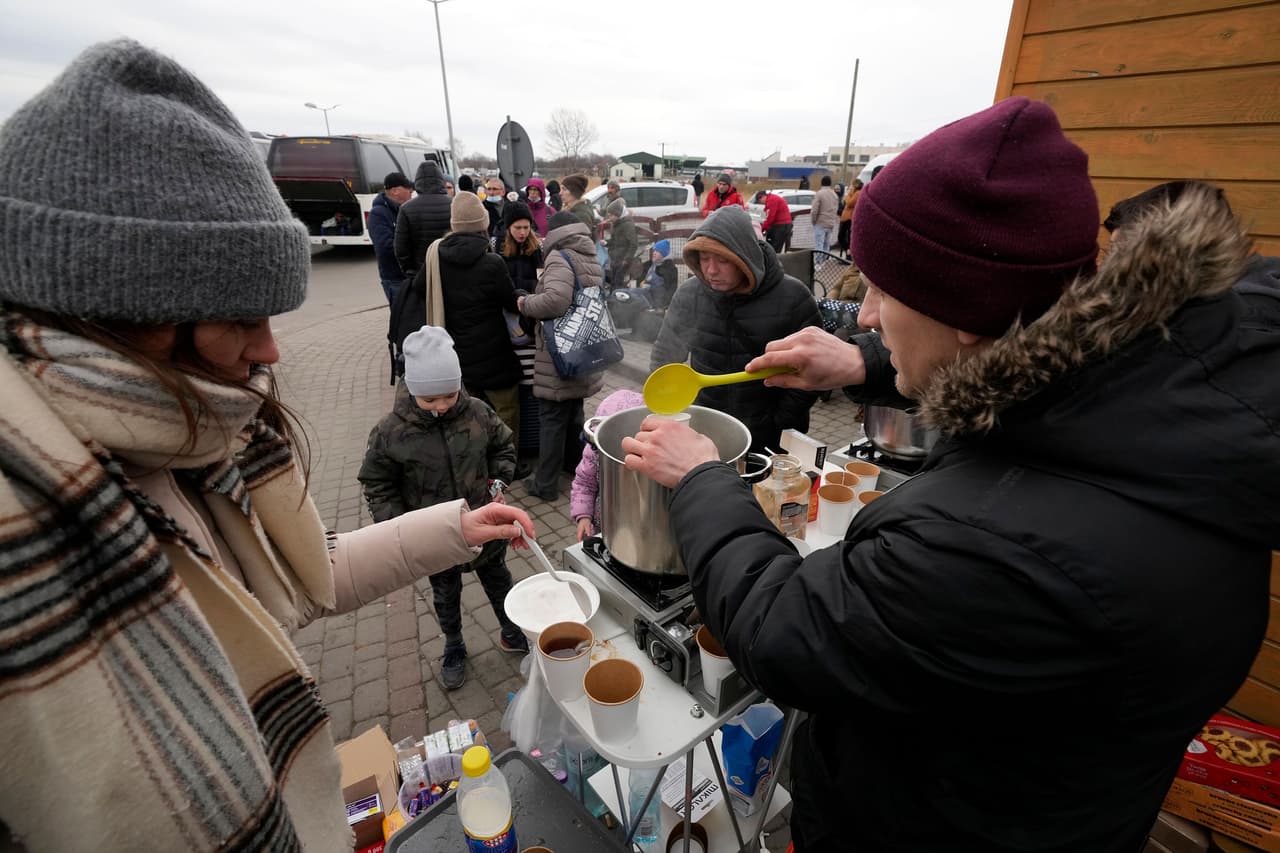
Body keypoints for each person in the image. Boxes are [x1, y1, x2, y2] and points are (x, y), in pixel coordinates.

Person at [621, 97, 1280, 852]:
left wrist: (705, 478)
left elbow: (783, 632)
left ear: (964, 309)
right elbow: (999, 371)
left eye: (879, 291)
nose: (865, 316)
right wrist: (860, 364)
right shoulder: (1153, 384)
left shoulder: (986, 547)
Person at [0, 38, 538, 853]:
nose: (272, 351)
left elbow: (296, 580)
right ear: (120, 312)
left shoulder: (179, 435)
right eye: (239, 318)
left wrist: (453, 529)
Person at [358, 326, 527, 690]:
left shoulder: (478, 412)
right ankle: (453, 644)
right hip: (434, 538)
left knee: (500, 581)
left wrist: (498, 482)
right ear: (413, 391)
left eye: (449, 394)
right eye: (430, 399)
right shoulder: (390, 433)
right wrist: (399, 527)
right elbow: (377, 482)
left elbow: (504, 447)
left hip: (485, 527)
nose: (442, 405)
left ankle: (511, 629)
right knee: (445, 593)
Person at [649, 205, 821, 452]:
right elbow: (665, 354)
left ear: (746, 258)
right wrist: (670, 409)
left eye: (722, 260)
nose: (711, 270)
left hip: (771, 435)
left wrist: (779, 420)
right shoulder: (690, 294)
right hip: (706, 428)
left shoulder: (794, 298)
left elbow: (812, 370)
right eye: (704, 259)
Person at [516, 210, 606, 500]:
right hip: (582, 350)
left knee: (552, 420)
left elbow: (555, 301)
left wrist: (525, 302)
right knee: (572, 415)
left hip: (559, 356)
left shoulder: (558, 257)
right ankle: (575, 466)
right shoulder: (587, 254)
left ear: (554, 233)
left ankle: (544, 485)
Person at [571, 388, 645, 541]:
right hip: (602, 526)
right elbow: (583, 484)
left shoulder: (649, 460)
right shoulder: (594, 453)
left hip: (640, 529)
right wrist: (583, 516)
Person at [395, 159, 452, 280]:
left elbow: (401, 247)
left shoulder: (406, 208)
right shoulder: (454, 204)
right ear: (441, 180)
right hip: (451, 269)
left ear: (417, 181)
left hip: (421, 272)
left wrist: (410, 272)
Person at [369, 170, 415, 304]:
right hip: (394, 278)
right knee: (401, 319)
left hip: (410, 276)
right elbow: (385, 247)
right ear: (395, 190)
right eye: (408, 189)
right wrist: (412, 245)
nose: (411, 191)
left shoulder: (405, 210)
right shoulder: (378, 214)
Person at [498, 200, 542, 295]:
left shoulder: (537, 248)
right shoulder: (497, 246)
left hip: (531, 302)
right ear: (509, 227)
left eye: (526, 227)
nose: (522, 232)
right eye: (517, 228)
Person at [631, 238, 678, 310]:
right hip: (645, 294)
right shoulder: (650, 264)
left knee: (629, 295)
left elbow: (671, 289)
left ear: (663, 254)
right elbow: (639, 276)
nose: (654, 253)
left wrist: (664, 306)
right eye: (654, 250)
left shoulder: (669, 269)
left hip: (655, 301)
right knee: (624, 294)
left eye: (657, 251)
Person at [604, 197, 637, 291]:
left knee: (619, 285)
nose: (609, 218)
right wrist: (607, 243)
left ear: (617, 214)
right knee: (614, 282)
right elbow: (615, 240)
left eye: (611, 215)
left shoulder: (627, 225)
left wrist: (626, 259)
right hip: (616, 259)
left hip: (622, 260)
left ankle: (618, 303)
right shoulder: (617, 224)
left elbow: (633, 243)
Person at [755, 189, 793, 254]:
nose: (760, 203)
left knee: (774, 248)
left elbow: (770, 217)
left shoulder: (771, 200)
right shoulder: (773, 198)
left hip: (781, 226)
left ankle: (774, 262)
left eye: (759, 201)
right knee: (778, 247)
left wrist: (761, 229)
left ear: (763, 197)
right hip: (785, 224)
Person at [809, 174, 839, 254]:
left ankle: (818, 264)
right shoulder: (835, 195)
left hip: (820, 223)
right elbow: (836, 210)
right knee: (826, 245)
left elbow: (814, 210)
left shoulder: (819, 194)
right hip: (830, 224)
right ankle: (824, 263)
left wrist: (813, 221)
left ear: (821, 183)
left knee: (819, 245)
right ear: (830, 184)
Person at [837, 178, 862, 258]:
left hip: (850, 218)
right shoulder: (853, 193)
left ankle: (849, 253)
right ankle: (848, 251)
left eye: (852, 185)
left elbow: (850, 203)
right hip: (846, 217)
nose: (851, 187)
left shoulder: (857, 193)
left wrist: (847, 196)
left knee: (845, 236)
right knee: (842, 236)